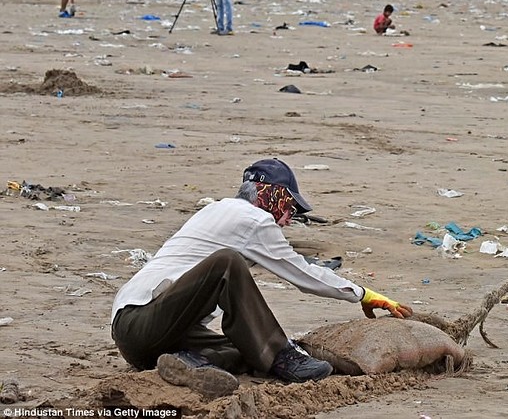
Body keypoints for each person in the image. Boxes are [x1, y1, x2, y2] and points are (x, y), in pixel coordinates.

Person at [110, 158, 412, 397]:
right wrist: (363, 293)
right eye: (289, 206)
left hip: (145, 340)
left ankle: (185, 363)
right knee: (227, 264)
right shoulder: (253, 219)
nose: (289, 218)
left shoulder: (217, 211)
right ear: (272, 194)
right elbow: (301, 273)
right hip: (140, 320)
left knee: (249, 349)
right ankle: (284, 357)